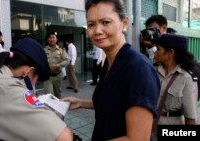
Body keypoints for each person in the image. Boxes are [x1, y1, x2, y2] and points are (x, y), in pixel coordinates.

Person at [62, 0, 160, 140]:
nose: (97, 31)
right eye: (91, 24)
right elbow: (116, 103)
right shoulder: (110, 62)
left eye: (106, 22)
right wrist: (81, 102)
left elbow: (137, 139)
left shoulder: (137, 68)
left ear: (124, 23)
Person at [154, 34, 198, 126]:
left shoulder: (186, 78)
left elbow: (190, 118)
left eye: (158, 49)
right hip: (149, 127)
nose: (155, 52)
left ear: (170, 52)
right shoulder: (153, 71)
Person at [44, 32, 70, 98]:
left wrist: (58, 65)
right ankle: (49, 108)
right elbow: (40, 62)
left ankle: (57, 107)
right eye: (50, 37)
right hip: (47, 76)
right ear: (47, 40)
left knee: (58, 95)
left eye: (53, 37)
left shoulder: (61, 50)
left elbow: (67, 60)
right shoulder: (43, 50)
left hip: (58, 76)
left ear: (56, 39)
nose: (52, 39)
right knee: (48, 95)